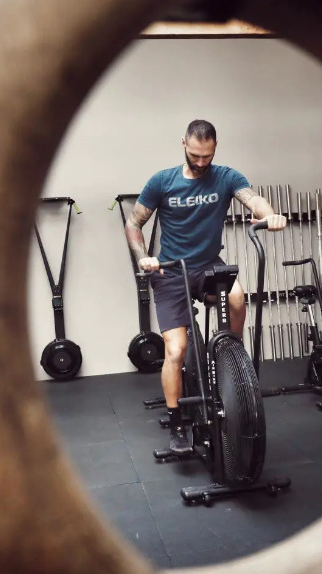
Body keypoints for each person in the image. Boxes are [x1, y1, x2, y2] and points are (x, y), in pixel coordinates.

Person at [125, 119, 287, 454]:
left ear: (215, 149)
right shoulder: (162, 181)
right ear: (183, 144)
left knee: (238, 298)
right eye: (195, 155)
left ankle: (231, 359)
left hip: (209, 264)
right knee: (176, 351)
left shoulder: (226, 177)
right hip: (171, 271)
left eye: (207, 156)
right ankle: (176, 422)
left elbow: (253, 199)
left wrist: (270, 214)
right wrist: (143, 257)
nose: (201, 162)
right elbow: (134, 222)